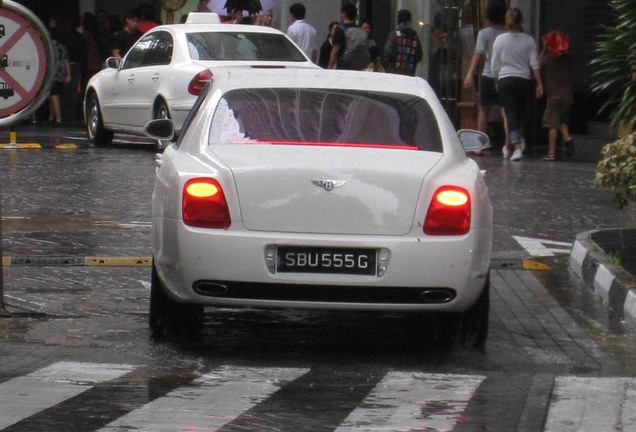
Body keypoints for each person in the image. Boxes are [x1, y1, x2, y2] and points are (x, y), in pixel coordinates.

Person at [491, 8, 544, 161]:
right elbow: (534, 64)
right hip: (524, 81)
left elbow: (494, 64)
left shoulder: (500, 40)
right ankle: (510, 146)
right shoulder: (529, 40)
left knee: (510, 114)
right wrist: (540, 83)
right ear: (521, 21)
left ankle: (516, 148)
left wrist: (496, 80)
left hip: (506, 80)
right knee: (519, 115)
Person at [463, 1, 507, 155]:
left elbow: (478, 55)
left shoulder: (484, 33)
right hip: (504, 75)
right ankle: (508, 144)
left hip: (488, 74)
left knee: (483, 111)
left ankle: (480, 146)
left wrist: (470, 74)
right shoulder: (508, 33)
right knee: (504, 111)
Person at [539, 30, 574, 161]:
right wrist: (567, 40)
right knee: (562, 120)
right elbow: (570, 50)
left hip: (554, 97)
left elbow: (538, 62)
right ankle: (567, 137)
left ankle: (552, 153)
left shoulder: (549, 59)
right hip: (568, 96)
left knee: (552, 125)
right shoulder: (569, 59)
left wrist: (544, 47)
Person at [327, 3, 369, 70]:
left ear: (344, 14)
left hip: (344, 65)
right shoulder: (359, 30)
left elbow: (335, 51)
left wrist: (329, 68)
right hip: (358, 66)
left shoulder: (340, 29)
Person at [383, 9, 423, 76]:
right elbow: (419, 56)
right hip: (410, 74)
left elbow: (387, 52)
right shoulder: (415, 37)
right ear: (410, 20)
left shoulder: (395, 35)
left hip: (395, 73)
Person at [48, 27, 71, 126]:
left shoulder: (47, 47)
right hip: (61, 72)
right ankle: (51, 117)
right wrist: (68, 74)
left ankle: (58, 118)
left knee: (53, 95)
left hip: (51, 73)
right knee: (56, 95)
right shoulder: (62, 47)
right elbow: (66, 61)